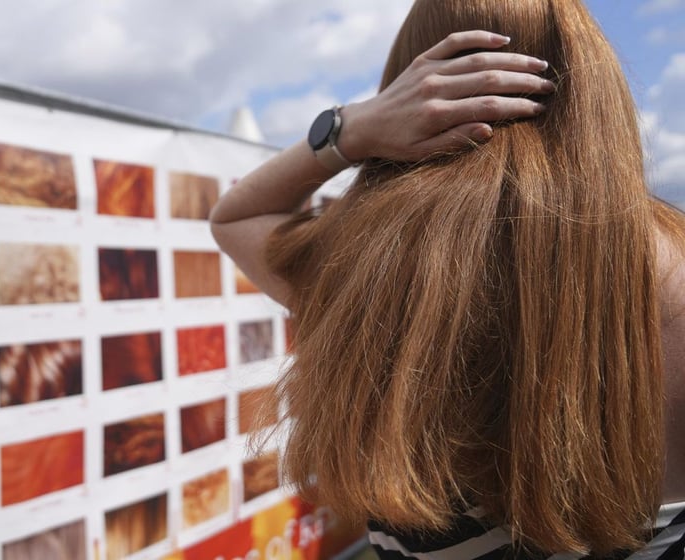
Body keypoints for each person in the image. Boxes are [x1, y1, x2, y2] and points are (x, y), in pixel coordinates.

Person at [209, 0, 685, 557]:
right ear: (592, 83)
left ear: (411, 86)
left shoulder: (358, 266)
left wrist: (353, 127)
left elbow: (234, 216)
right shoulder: (672, 267)